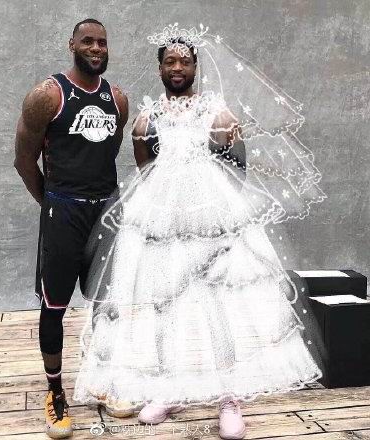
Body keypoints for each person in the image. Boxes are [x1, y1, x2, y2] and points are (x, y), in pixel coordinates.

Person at [73, 25, 325, 440]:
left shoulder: (218, 112)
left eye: (185, 61)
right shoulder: (148, 116)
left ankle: (229, 397)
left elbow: (238, 169)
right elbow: (144, 165)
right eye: (170, 61)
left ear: (195, 67)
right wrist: (162, 206)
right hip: (162, 218)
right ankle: (171, 389)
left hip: (213, 214)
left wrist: (222, 215)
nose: (177, 68)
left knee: (220, 303)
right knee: (166, 304)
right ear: (159, 68)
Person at [14, 18, 128, 439]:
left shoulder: (118, 99)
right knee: (55, 306)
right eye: (88, 41)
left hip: (106, 212)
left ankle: (102, 381)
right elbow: (23, 161)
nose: (96, 48)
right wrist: (52, 203)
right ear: (72, 45)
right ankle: (55, 392)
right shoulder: (47, 96)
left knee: (107, 305)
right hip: (64, 211)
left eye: (102, 42)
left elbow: (105, 154)